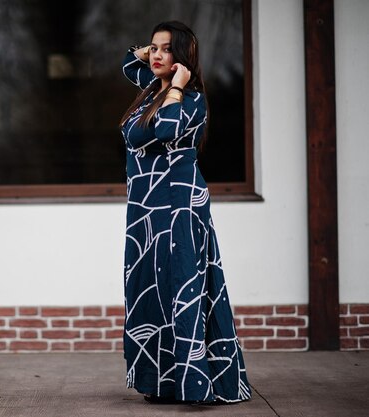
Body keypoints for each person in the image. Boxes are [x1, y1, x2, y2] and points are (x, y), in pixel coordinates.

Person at [119, 21, 251, 404]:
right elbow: (129, 64)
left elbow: (167, 129)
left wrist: (176, 84)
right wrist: (148, 54)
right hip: (144, 211)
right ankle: (163, 382)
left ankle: (197, 383)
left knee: (182, 289)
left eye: (166, 49)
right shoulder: (148, 92)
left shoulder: (190, 99)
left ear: (184, 59)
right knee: (150, 290)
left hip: (178, 206)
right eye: (154, 47)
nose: (156, 54)